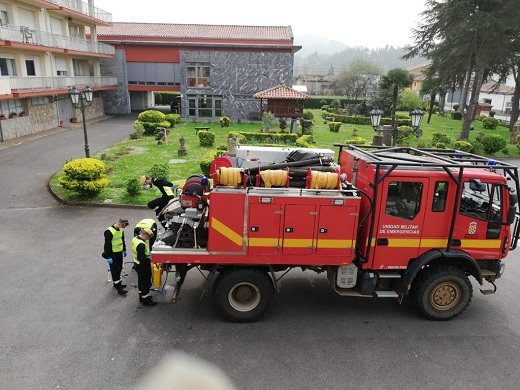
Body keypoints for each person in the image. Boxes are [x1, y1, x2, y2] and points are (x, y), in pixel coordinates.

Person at [102, 218, 129, 295]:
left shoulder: (120, 230)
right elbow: (107, 245)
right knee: (115, 271)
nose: (124, 227)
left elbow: (122, 241)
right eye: (124, 225)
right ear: (120, 223)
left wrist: (124, 249)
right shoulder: (109, 232)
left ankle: (117, 283)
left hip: (119, 253)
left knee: (119, 268)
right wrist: (108, 257)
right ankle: (119, 288)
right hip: (112, 254)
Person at [132, 227, 157, 306]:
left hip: (137, 264)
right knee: (145, 282)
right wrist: (150, 259)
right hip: (143, 265)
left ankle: (141, 296)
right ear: (146, 235)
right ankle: (145, 300)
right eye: (149, 237)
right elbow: (141, 258)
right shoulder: (141, 245)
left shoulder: (135, 239)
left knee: (141, 281)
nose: (148, 239)